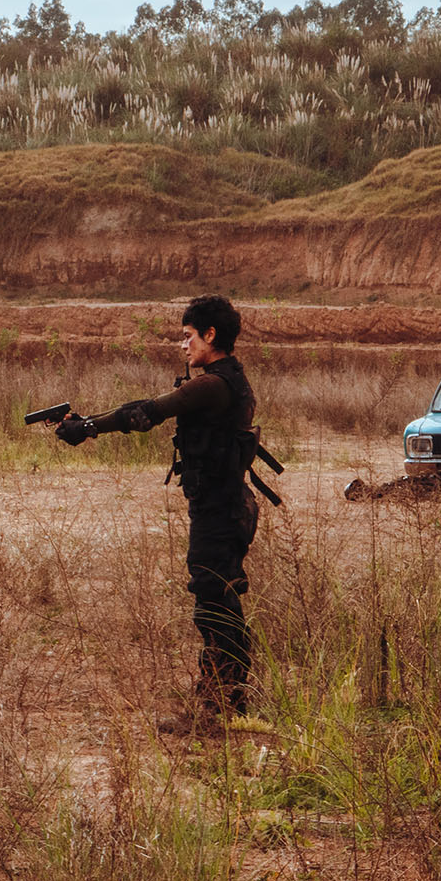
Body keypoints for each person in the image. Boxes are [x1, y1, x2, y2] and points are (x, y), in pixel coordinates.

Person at [55, 295, 277, 731]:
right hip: (225, 506)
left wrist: (87, 428)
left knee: (214, 604)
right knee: (219, 600)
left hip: (221, 509)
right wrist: (90, 423)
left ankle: (219, 710)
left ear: (210, 335)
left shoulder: (213, 384)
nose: (184, 346)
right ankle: (228, 703)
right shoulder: (229, 380)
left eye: (188, 336)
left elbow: (147, 411)